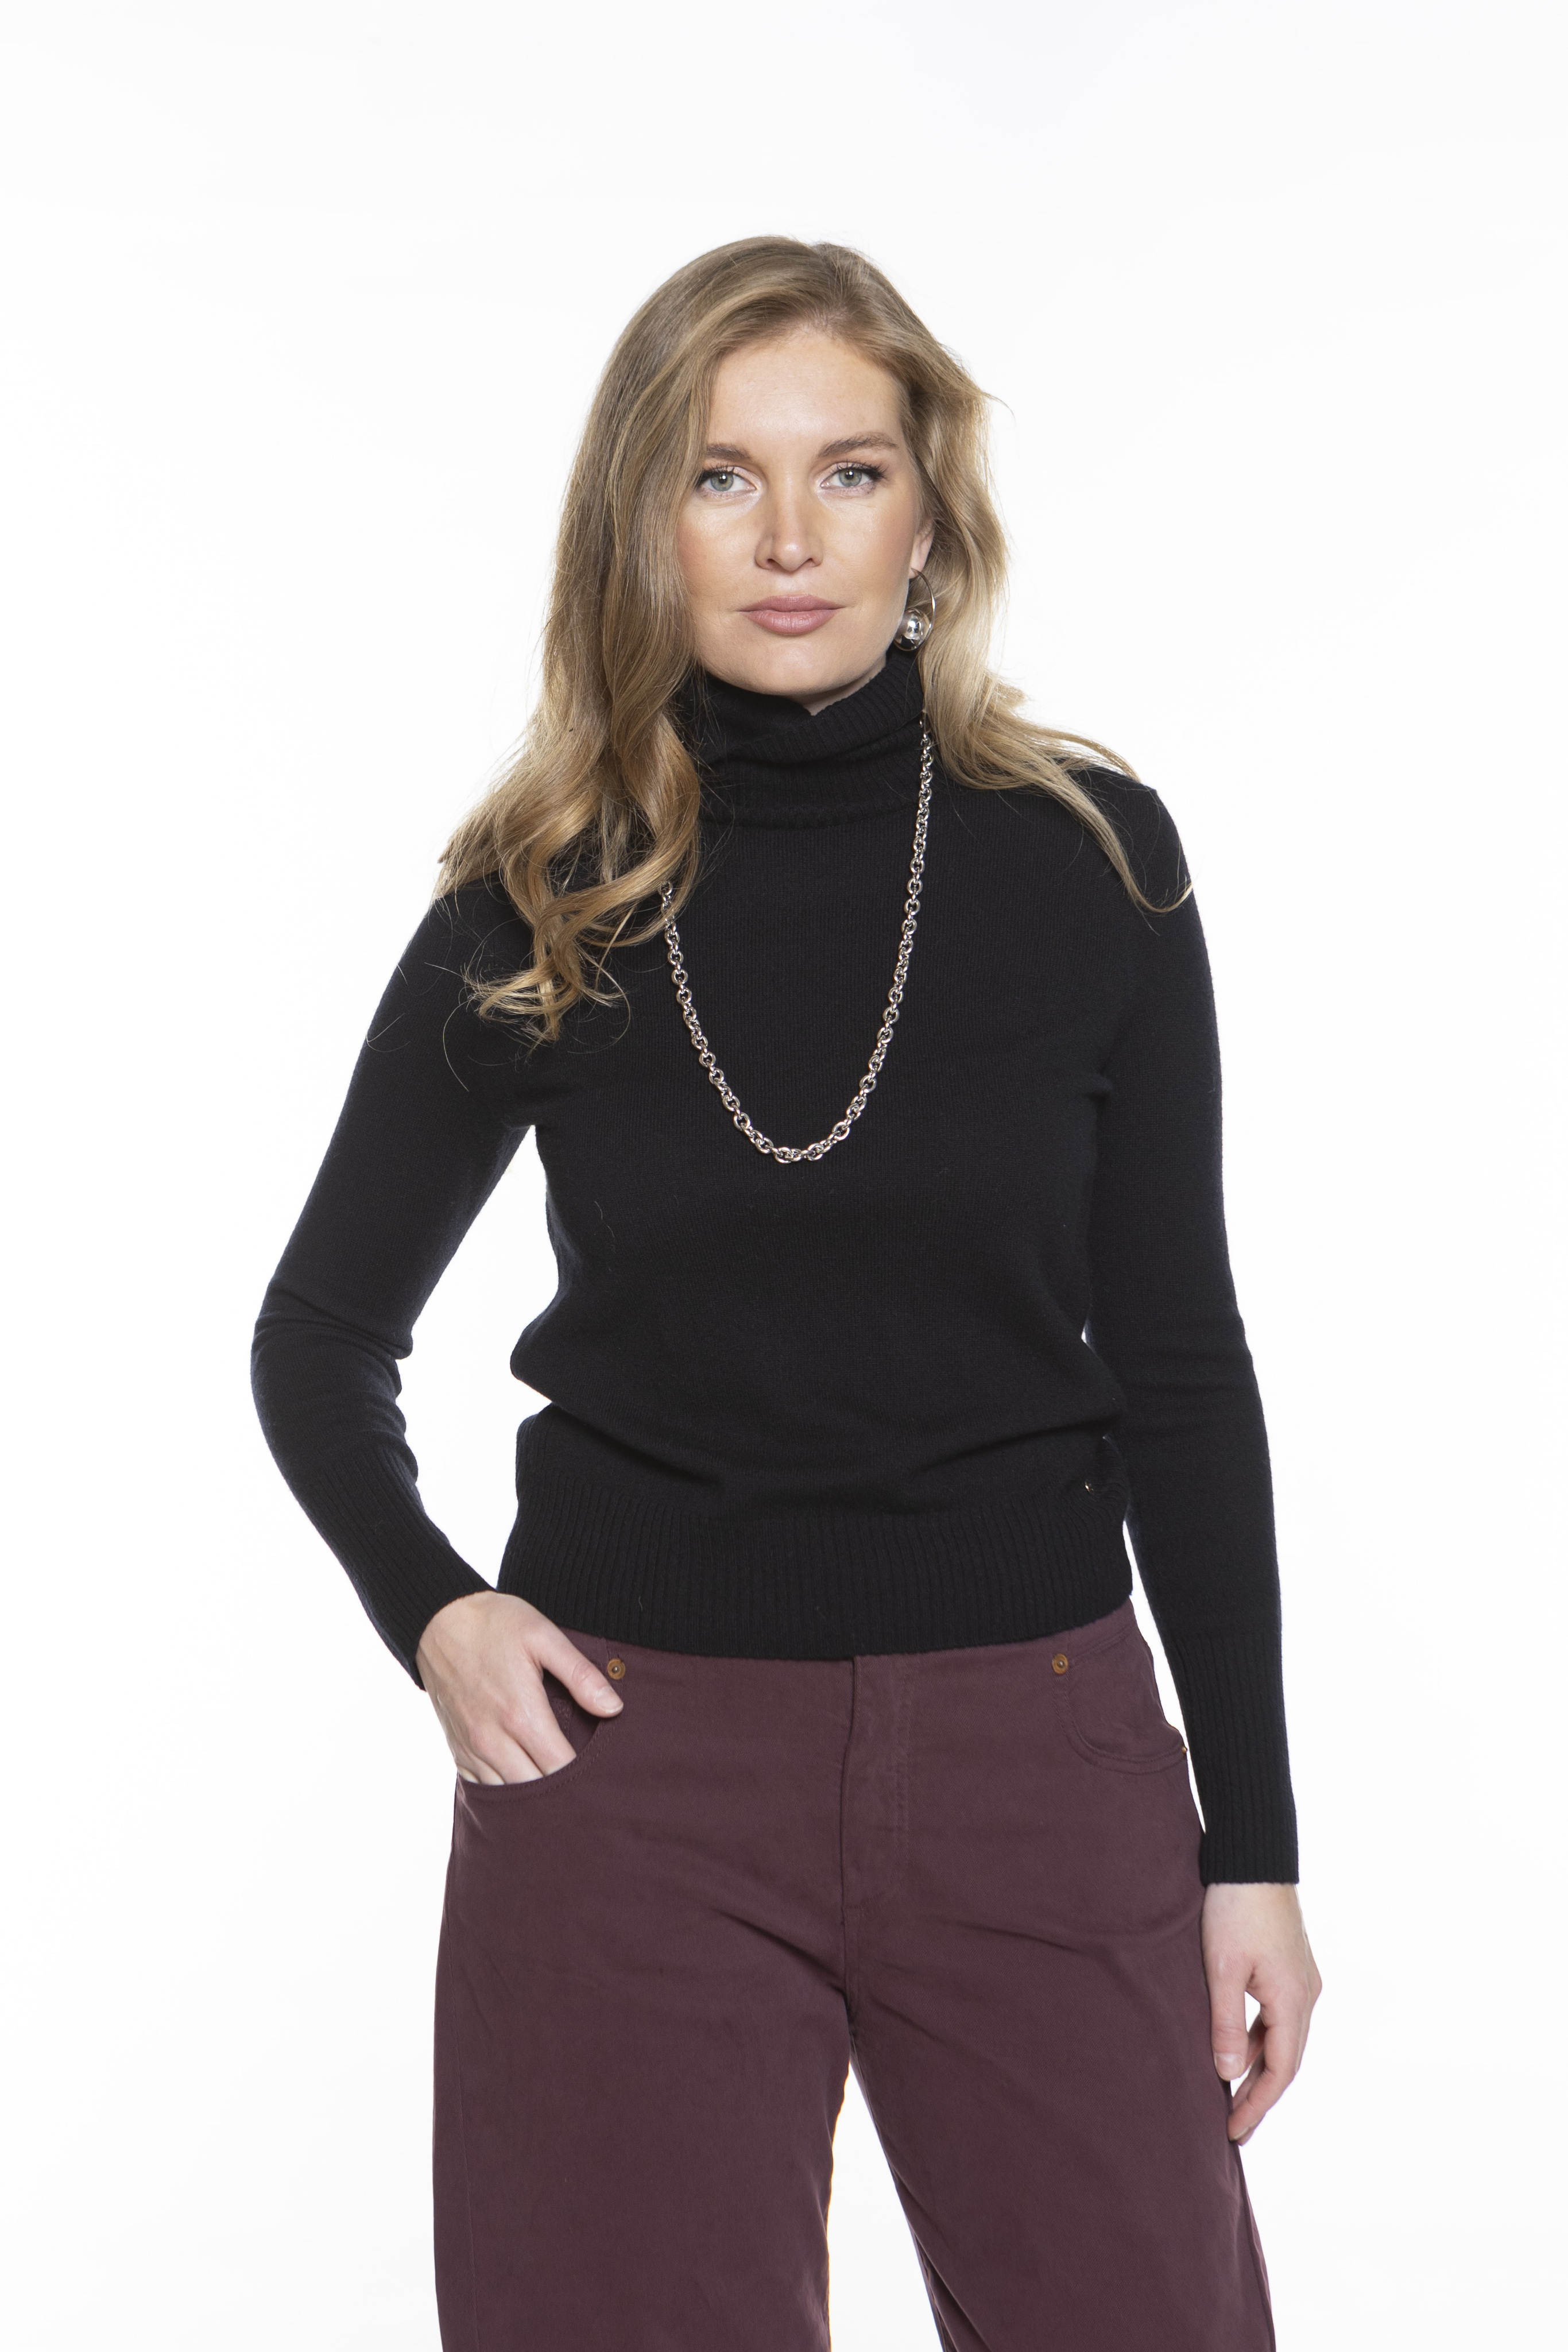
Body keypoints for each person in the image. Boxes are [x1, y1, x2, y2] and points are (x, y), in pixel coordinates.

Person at [252, 235, 1320, 2352]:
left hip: (1037, 1747)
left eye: (849, 471)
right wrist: (433, 1610)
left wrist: (1252, 1847)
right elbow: (319, 1337)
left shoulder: (1090, 855)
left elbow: (1182, 1363)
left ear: (930, 514)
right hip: (631, 1769)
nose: (788, 537)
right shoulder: (538, 898)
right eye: (720, 476)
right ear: (640, 518)